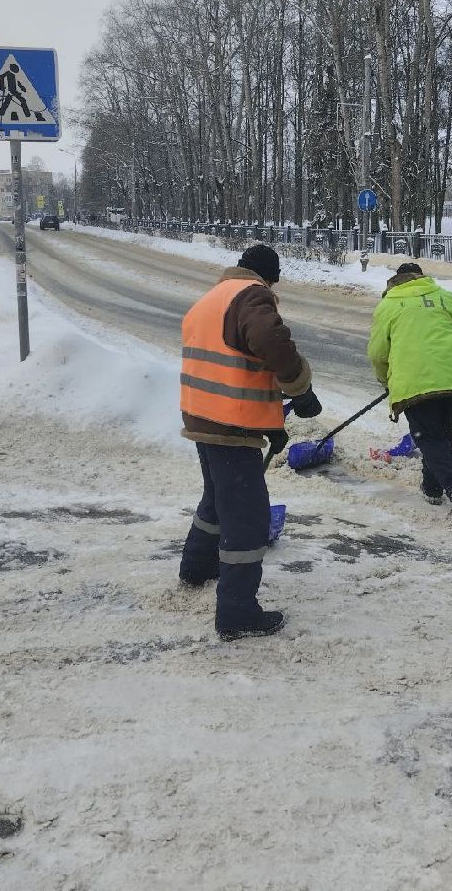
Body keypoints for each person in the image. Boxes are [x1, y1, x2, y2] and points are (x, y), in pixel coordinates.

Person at [178, 243, 322, 641]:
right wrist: (299, 386)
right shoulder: (252, 295)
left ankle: (196, 568)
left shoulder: (212, 297)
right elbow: (269, 340)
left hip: (202, 417)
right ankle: (238, 612)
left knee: (218, 498)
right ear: (268, 277)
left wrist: (270, 420)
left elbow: (235, 360)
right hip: (230, 424)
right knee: (247, 517)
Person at [367, 262, 452, 523]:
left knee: (428, 438)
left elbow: (377, 354)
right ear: (420, 278)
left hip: (414, 382)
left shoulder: (389, 304)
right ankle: (432, 487)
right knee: (440, 433)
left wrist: (386, 380)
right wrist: (443, 353)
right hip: (450, 378)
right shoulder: (442, 296)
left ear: (396, 281)